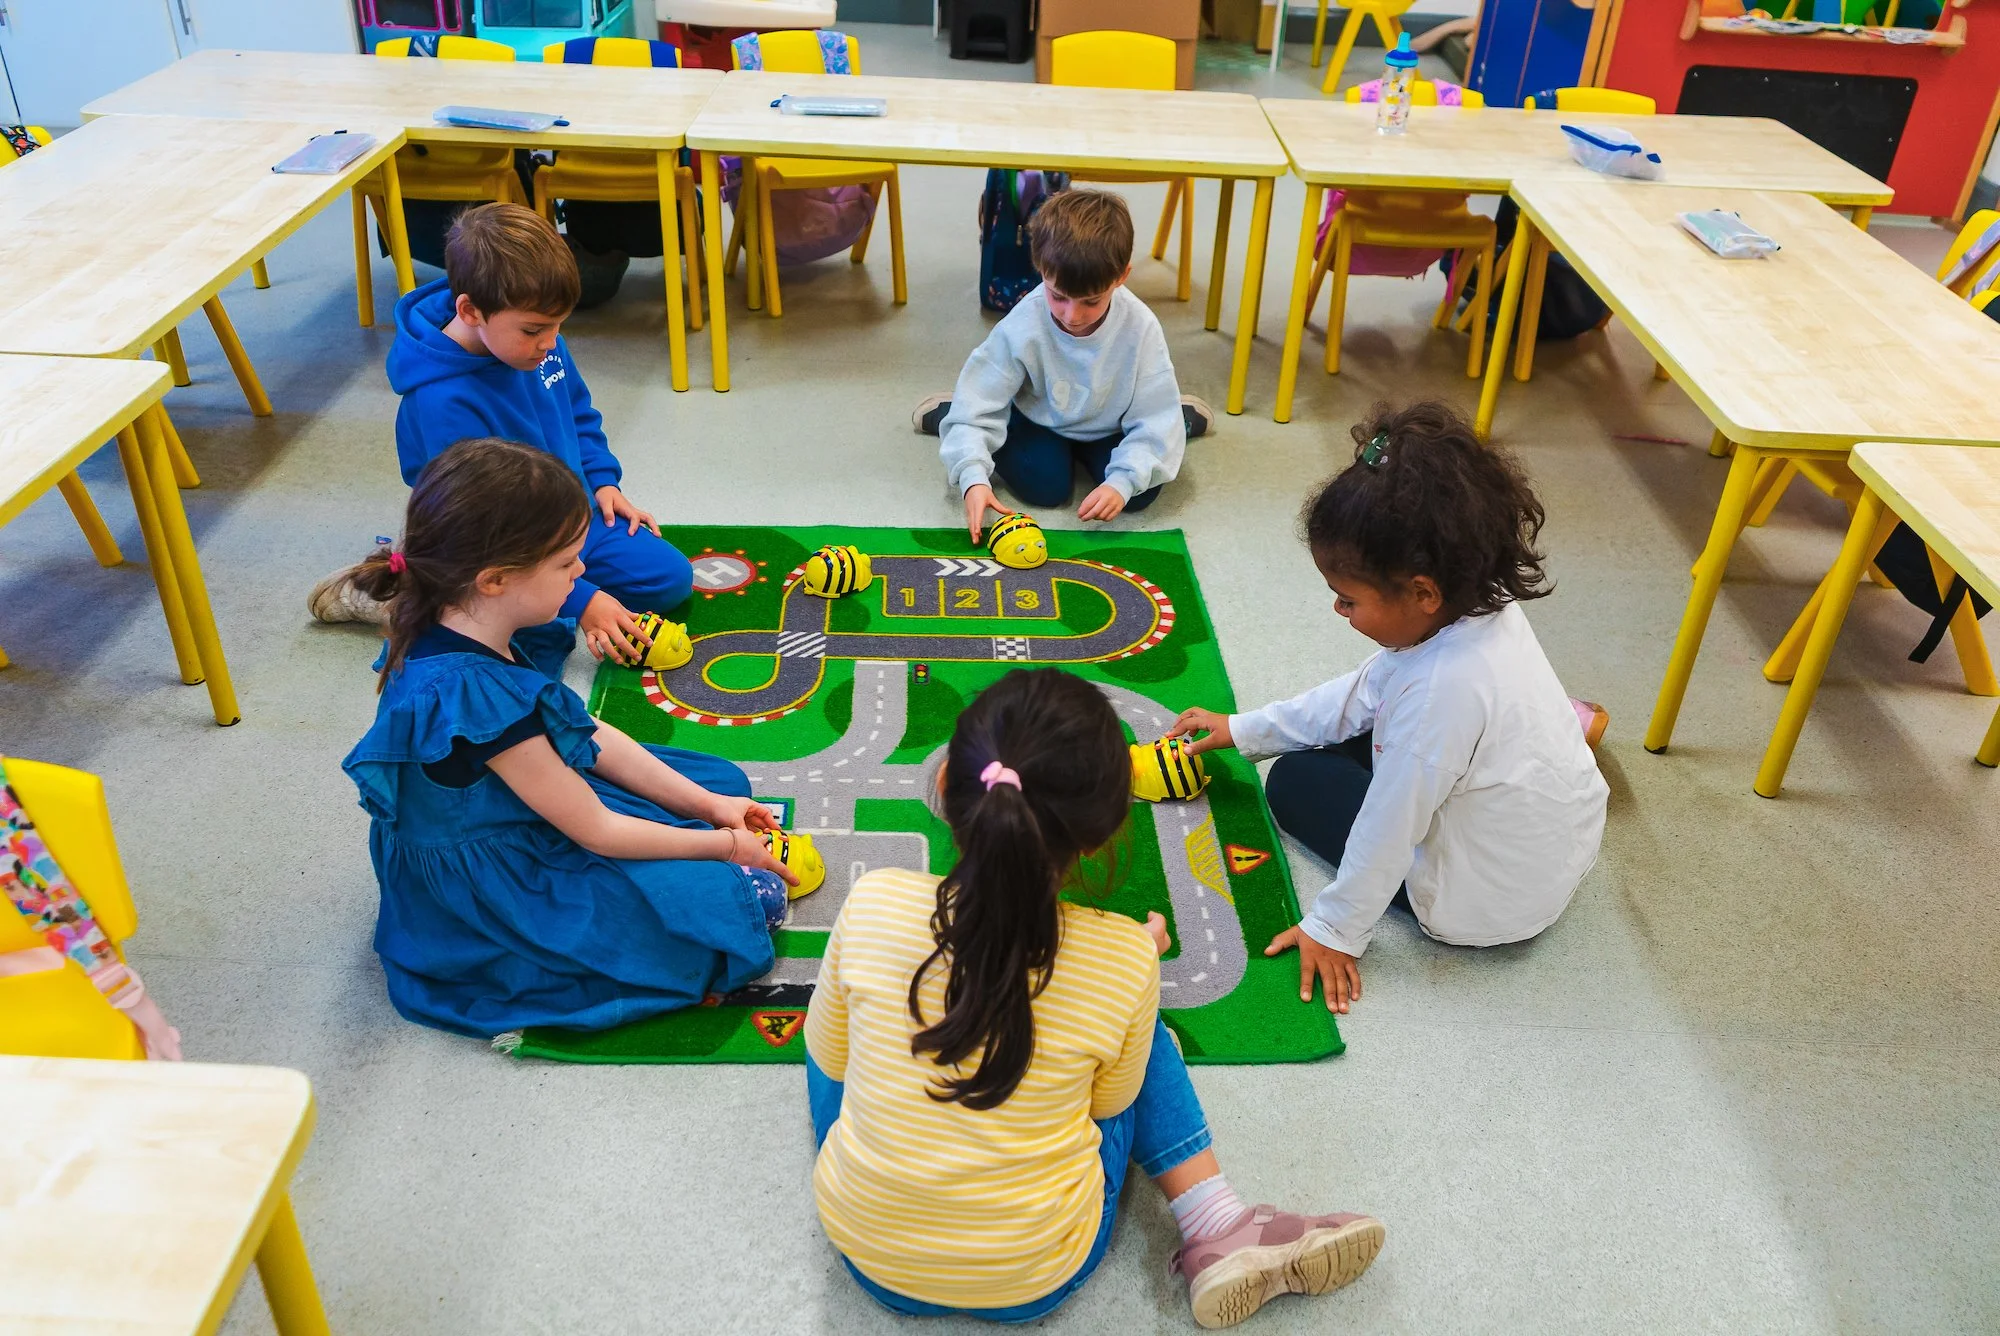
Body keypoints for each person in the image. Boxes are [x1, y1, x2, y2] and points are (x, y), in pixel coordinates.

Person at [805, 667, 1382, 1329]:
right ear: (1104, 835)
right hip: (1036, 1278)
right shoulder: (1125, 956)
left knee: (837, 1043)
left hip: (872, 1261)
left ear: (944, 788)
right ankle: (1215, 1221)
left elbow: (835, 1058)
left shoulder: (873, 898)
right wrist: (1127, 962)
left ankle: (890, 1166)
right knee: (1141, 1042)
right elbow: (1110, 1105)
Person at [338, 438, 795, 1038]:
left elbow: (587, 733)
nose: (583, 574)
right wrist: (724, 847)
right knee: (744, 907)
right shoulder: (476, 695)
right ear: (496, 579)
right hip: (498, 878)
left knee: (720, 782)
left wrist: (711, 809)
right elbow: (597, 829)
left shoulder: (457, 616)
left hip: (512, 806)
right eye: (566, 565)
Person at [1167, 401, 1610, 1015]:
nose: (1338, 612)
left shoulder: (1438, 695)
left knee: (1296, 779)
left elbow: (1390, 825)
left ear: (1423, 593)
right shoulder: (1482, 598)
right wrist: (1244, 729)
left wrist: (1334, 930)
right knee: (1363, 722)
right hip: (1557, 840)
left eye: (1347, 600)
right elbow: (1367, 692)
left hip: (1484, 903)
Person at [310, 203, 689, 665]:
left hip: (569, 516)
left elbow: (578, 413)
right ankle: (397, 587)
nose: (550, 342)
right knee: (524, 649)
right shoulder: (441, 402)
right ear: (470, 310)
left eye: (557, 326)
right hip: (493, 542)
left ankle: (540, 581)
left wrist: (603, 482)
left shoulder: (539, 346)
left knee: (669, 580)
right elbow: (481, 524)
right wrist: (583, 599)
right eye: (534, 330)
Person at [912, 189, 1214, 542]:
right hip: (1042, 418)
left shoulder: (1141, 327)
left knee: (1139, 492)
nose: (1072, 316)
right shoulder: (1023, 323)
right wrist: (972, 475)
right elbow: (980, 401)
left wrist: (1122, 481)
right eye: (1057, 296)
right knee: (1044, 489)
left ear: (1121, 276)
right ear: (1040, 269)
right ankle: (950, 411)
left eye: (1091, 301)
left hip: (1110, 422)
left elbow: (1153, 423)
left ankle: (1181, 418)